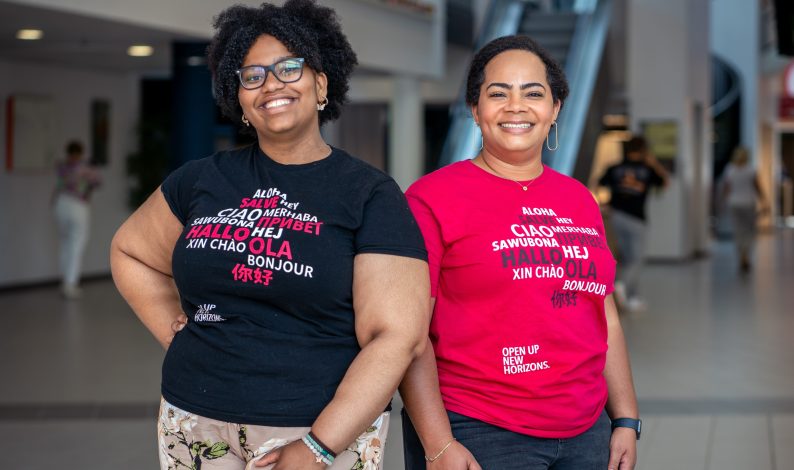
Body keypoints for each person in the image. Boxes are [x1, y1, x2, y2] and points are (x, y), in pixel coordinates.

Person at [110, 2, 430, 469]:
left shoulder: (369, 194)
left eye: (289, 68)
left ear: (321, 82)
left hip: (320, 426)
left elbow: (397, 337)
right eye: (252, 75)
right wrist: (176, 334)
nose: (271, 85)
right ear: (237, 97)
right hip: (195, 420)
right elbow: (130, 252)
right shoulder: (201, 179)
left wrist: (319, 446)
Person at [399, 35, 640, 470]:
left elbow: (604, 314)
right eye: (498, 93)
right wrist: (437, 445)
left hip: (586, 430)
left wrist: (624, 417)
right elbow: (407, 335)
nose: (516, 106)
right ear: (475, 110)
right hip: (478, 428)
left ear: (555, 110)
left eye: (533, 93)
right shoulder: (431, 198)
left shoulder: (579, 199)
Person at [597, 136, 668, 312]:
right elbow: (665, 182)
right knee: (637, 259)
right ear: (644, 149)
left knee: (626, 259)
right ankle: (622, 287)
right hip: (637, 218)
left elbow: (599, 183)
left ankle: (632, 297)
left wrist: (604, 203)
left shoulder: (615, 167)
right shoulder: (647, 168)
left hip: (616, 216)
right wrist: (653, 162)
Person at [53, 140, 101, 299]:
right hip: (78, 205)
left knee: (65, 243)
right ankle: (71, 284)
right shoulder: (85, 168)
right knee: (77, 244)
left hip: (61, 204)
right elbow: (97, 182)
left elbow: (58, 185)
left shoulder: (61, 166)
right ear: (80, 152)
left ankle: (64, 280)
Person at [721, 146, 767, 273]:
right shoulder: (751, 170)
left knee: (738, 231)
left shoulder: (729, 169)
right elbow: (758, 188)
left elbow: (726, 188)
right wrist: (765, 202)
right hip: (748, 203)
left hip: (734, 203)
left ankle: (741, 256)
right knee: (749, 231)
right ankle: (746, 255)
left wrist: (723, 203)